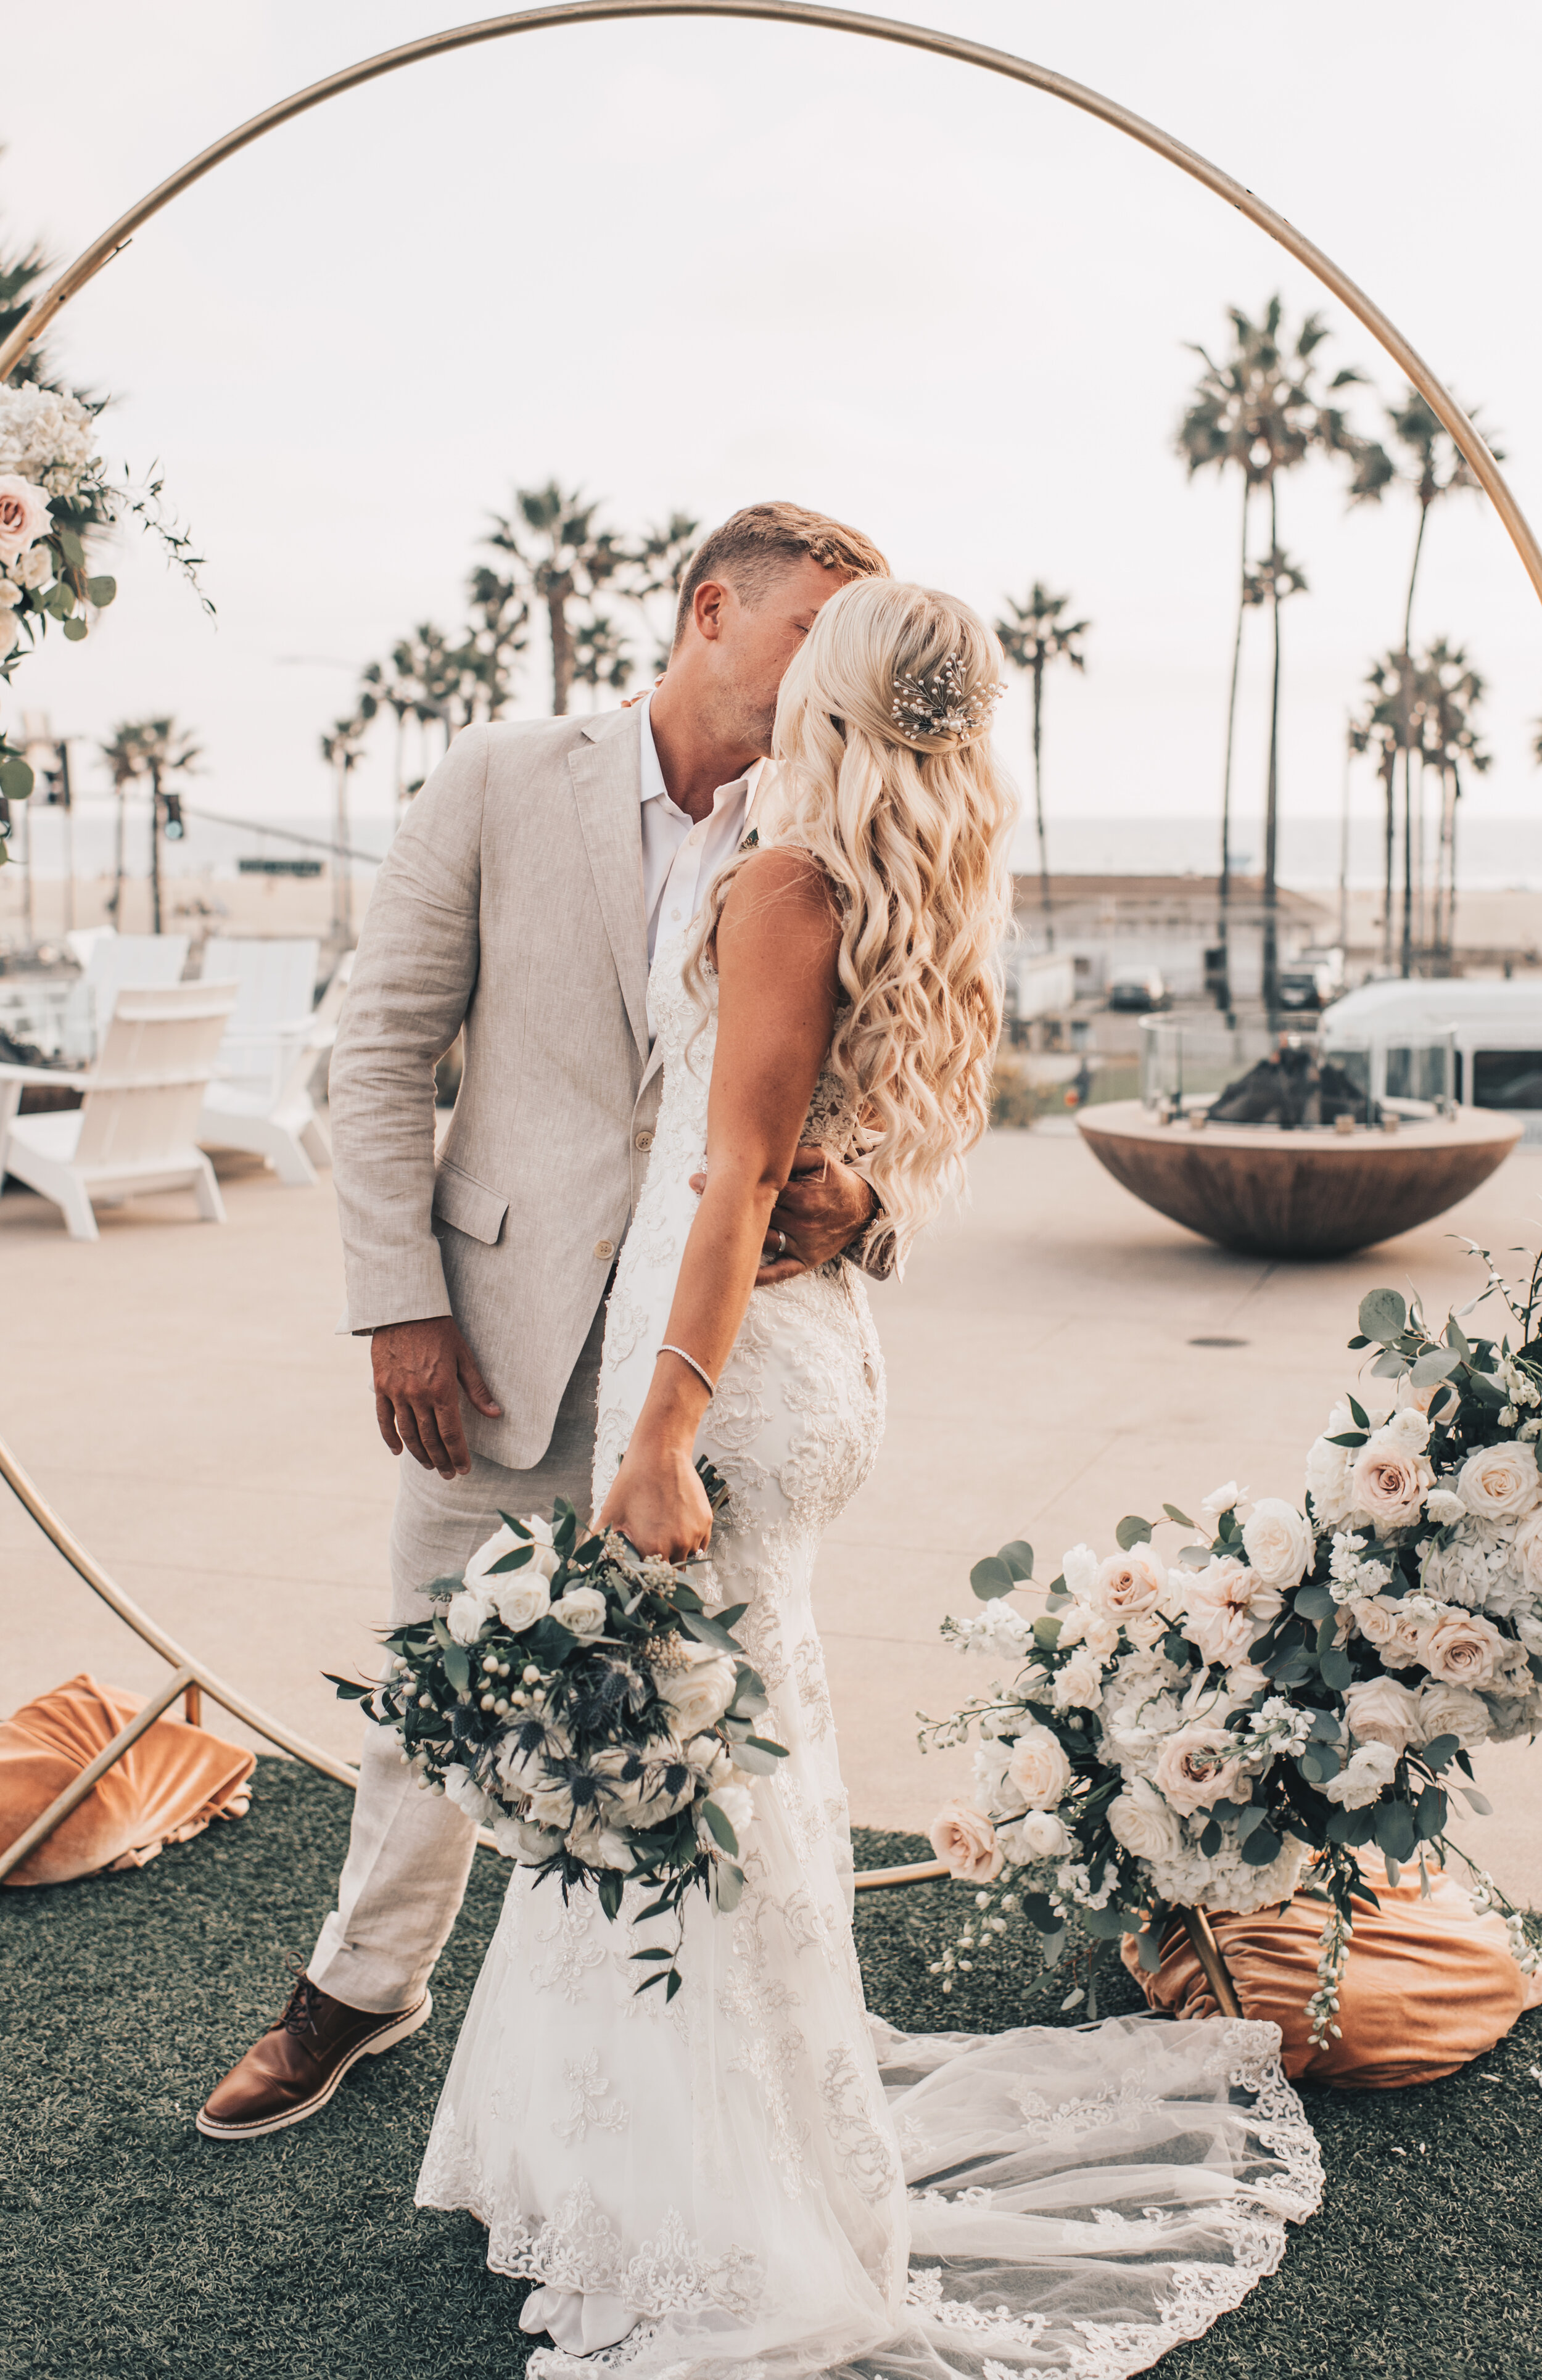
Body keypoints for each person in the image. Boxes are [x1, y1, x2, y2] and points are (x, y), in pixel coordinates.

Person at [416, 579, 1322, 2373]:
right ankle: (610, 2145)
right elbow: (851, 1157)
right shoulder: (899, 884)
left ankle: (721, 2202)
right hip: (813, 1363)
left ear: (823, 697)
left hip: (730, 1377)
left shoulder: (784, 882)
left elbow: (741, 1177)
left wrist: (659, 1428)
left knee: (696, 1767)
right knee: (746, 1743)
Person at [197, 502, 891, 2142]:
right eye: (815, 633)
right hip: (495, 1330)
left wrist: (863, 1205)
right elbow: (377, 1055)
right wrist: (401, 1305)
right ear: (710, 610)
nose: (834, 674)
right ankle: (357, 1989)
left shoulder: (840, 826)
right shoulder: (503, 777)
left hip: (718, 1360)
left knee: (693, 1713)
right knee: (441, 1670)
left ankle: (671, 2078)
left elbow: (896, 1093)